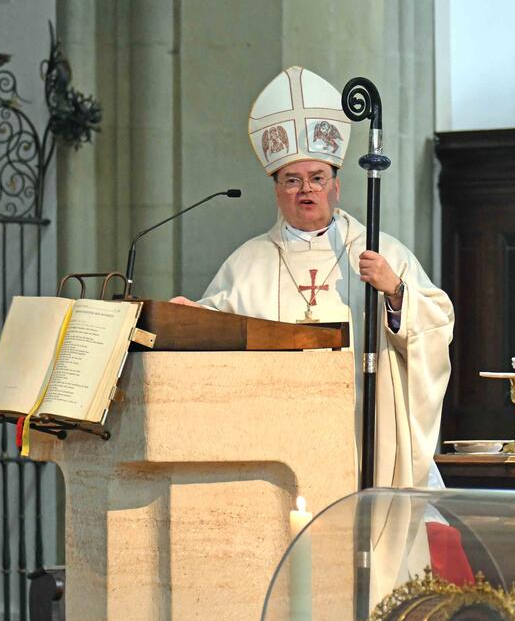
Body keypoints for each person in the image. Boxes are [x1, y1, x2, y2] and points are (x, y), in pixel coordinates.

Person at [182, 66, 454, 489]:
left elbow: (437, 326)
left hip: (361, 431)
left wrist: (396, 293)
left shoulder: (379, 250)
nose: (305, 190)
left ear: (336, 187)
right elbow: (218, 330)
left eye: (316, 178)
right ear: (277, 191)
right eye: (292, 180)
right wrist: (188, 320)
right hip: (278, 439)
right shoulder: (247, 262)